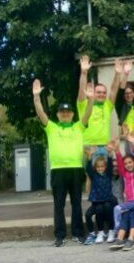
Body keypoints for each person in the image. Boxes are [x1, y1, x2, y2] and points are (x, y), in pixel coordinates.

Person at [33, 79, 94, 247]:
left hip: (75, 169)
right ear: (58, 114)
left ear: (72, 114)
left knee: (76, 204)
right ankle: (59, 235)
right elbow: (41, 114)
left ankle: (78, 233)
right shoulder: (52, 127)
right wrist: (36, 97)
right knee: (58, 205)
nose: (65, 114)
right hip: (58, 170)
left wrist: (91, 99)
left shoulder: (78, 127)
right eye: (62, 112)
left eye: (68, 112)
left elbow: (88, 113)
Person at [83, 144, 117, 245]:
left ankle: (111, 231)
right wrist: (89, 157)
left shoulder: (108, 174)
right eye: (98, 167)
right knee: (88, 214)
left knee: (107, 208)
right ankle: (97, 233)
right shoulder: (94, 175)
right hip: (97, 201)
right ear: (95, 168)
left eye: (102, 166)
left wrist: (110, 154)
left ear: (105, 167)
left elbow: (110, 165)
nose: (100, 168)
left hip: (107, 200)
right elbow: (88, 169)